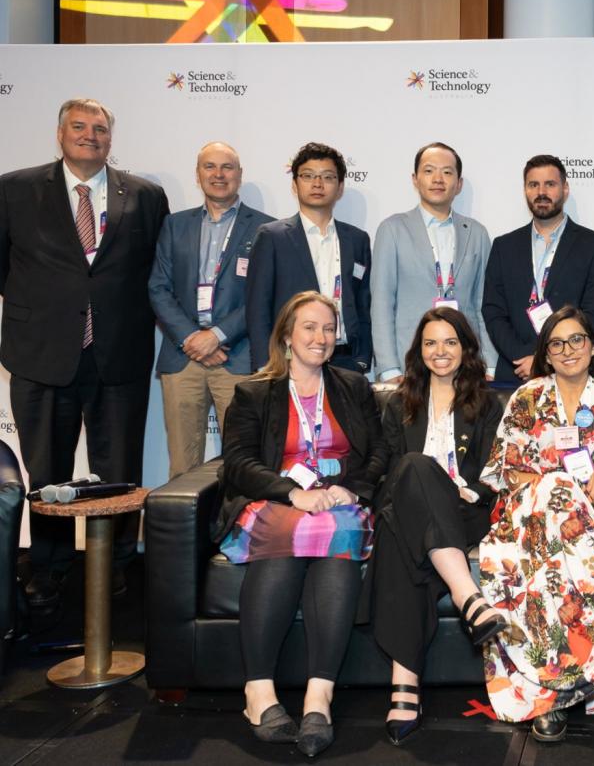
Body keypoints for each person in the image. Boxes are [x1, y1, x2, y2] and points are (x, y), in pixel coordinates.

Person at [0, 97, 169, 609]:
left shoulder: (143, 195)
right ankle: (48, 568)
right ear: (60, 134)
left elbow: (153, 272)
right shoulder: (15, 189)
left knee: (120, 470)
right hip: (42, 354)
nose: (90, 135)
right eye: (79, 126)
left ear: (111, 140)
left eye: (100, 128)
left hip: (118, 353)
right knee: (45, 468)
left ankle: (116, 566)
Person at [215, 291, 387, 757]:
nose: (321, 337)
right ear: (287, 336)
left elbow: (378, 454)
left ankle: (319, 696)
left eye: (329, 329)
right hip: (278, 499)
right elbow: (237, 463)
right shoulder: (254, 392)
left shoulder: (353, 386)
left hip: (338, 501)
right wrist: (294, 493)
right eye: (309, 327)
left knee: (341, 529)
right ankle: (259, 693)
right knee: (297, 529)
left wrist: (350, 490)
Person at [478, 306, 594, 742]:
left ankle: (550, 697)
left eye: (577, 339)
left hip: (587, 524)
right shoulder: (527, 396)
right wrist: (557, 488)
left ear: (593, 346)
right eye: (556, 344)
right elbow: (506, 470)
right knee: (554, 488)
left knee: (554, 568)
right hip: (526, 517)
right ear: (547, 354)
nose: (567, 350)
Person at [362, 308, 505, 745]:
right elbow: (384, 468)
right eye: (430, 343)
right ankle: (469, 599)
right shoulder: (399, 401)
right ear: (418, 350)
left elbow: (496, 474)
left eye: (449, 342)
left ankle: (404, 685)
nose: (439, 352)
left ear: (465, 349)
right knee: (413, 469)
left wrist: (473, 492)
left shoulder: (486, 403)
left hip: (462, 512)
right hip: (408, 506)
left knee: (404, 535)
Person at [149, 141, 274, 478]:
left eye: (227, 167)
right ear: (198, 174)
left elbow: (263, 295)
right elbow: (158, 287)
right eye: (210, 167)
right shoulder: (175, 225)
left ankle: (235, 530)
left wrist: (217, 336)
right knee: (182, 465)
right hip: (182, 356)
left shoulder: (267, 228)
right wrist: (192, 338)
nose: (218, 175)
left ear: (240, 175)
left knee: (245, 461)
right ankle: (184, 532)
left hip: (239, 356)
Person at [370, 142, 496, 384]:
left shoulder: (477, 233)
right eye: (429, 171)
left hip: (466, 362)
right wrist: (389, 368)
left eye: (447, 172)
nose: (438, 178)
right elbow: (382, 302)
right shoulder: (393, 229)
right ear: (415, 179)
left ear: (458, 184)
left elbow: (483, 303)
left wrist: (489, 363)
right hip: (409, 363)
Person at [482, 154, 594, 386]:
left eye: (550, 184)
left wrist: (543, 357)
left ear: (565, 189)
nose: (541, 192)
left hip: (574, 373)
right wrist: (522, 356)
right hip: (515, 372)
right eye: (534, 185)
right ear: (525, 190)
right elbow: (493, 312)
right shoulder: (504, 246)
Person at [246, 142, 372, 374]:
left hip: (345, 361)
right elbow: (257, 308)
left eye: (327, 177)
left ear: (340, 186)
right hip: (289, 360)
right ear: (295, 185)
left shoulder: (357, 239)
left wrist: (362, 358)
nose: (317, 184)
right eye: (308, 176)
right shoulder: (272, 236)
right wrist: (265, 364)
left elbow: (363, 303)